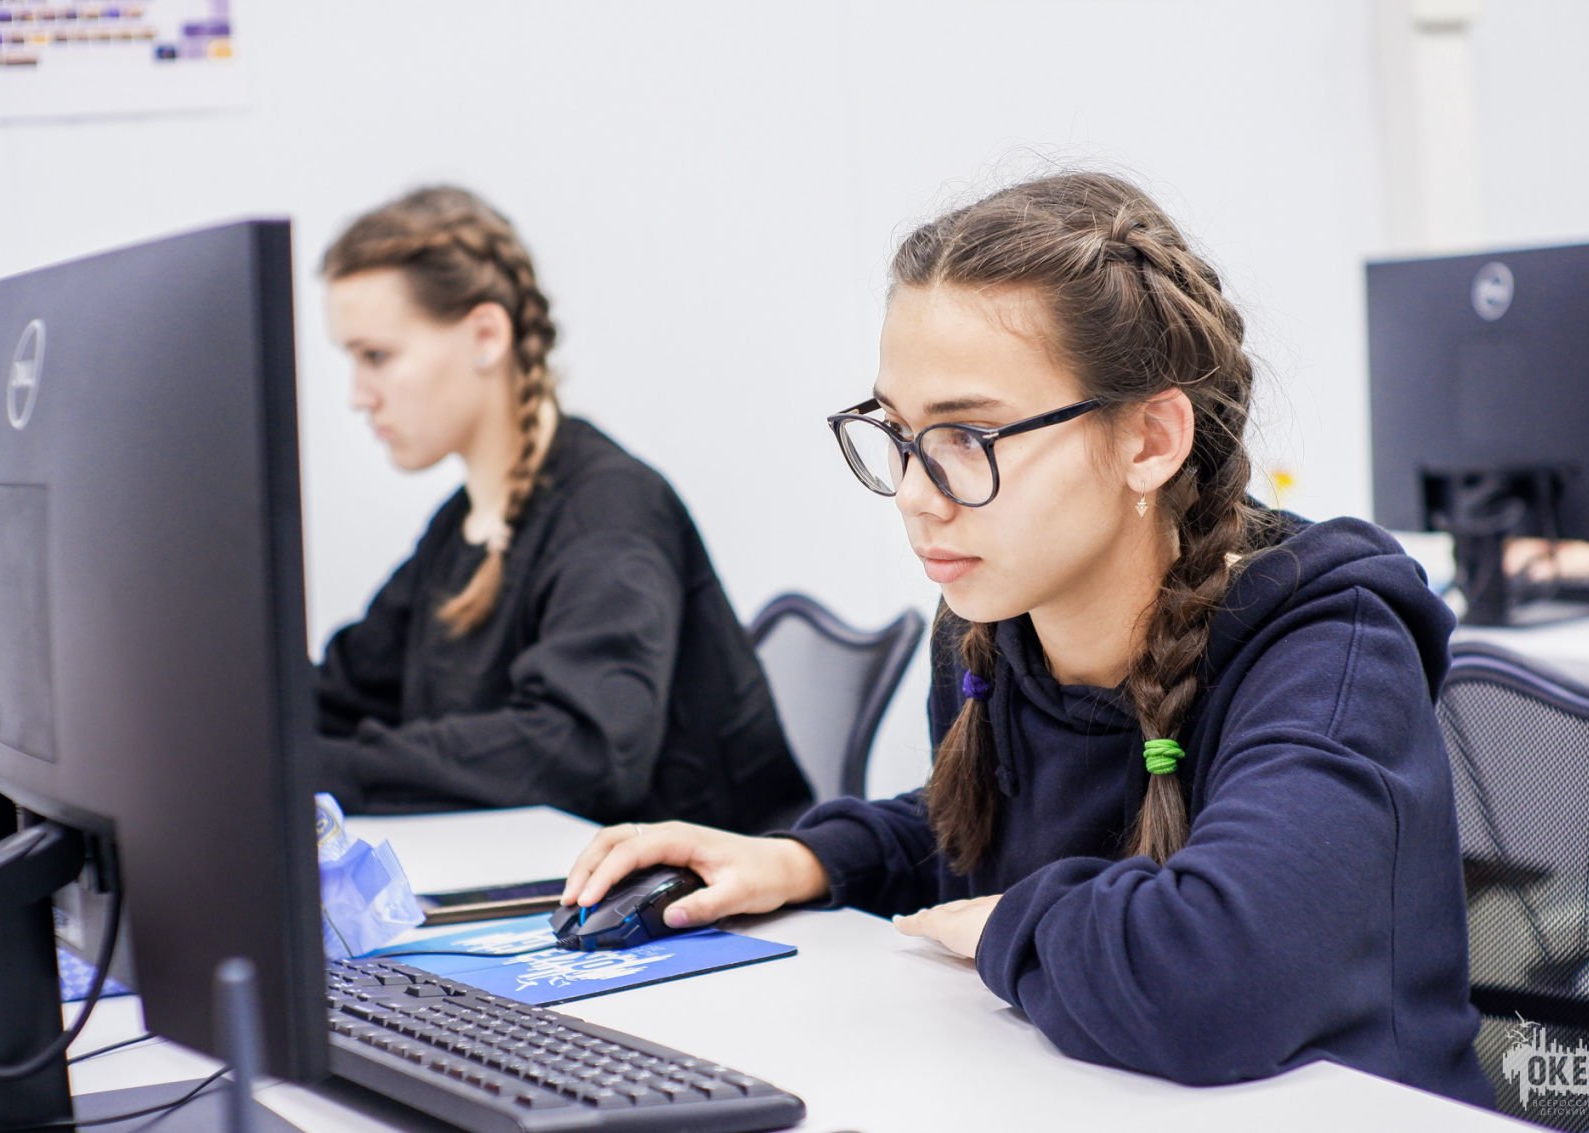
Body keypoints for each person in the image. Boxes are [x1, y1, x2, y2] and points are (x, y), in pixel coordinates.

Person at [561, 172, 1493, 1105]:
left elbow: (1214, 973)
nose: (915, 495)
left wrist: (1012, 922)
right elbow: (973, 842)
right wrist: (803, 860)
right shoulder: (988, 623)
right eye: (900, 431)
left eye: (968, 435)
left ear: (1149, 440)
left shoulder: (1330, 645)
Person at [314, 186, 810, 832]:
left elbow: (581, 752)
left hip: (699, 889)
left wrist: (334, 769)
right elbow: (344, 694)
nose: (359, 395)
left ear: (486, 335)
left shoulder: (611, 514)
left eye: (376, 356)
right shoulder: (460, 528)